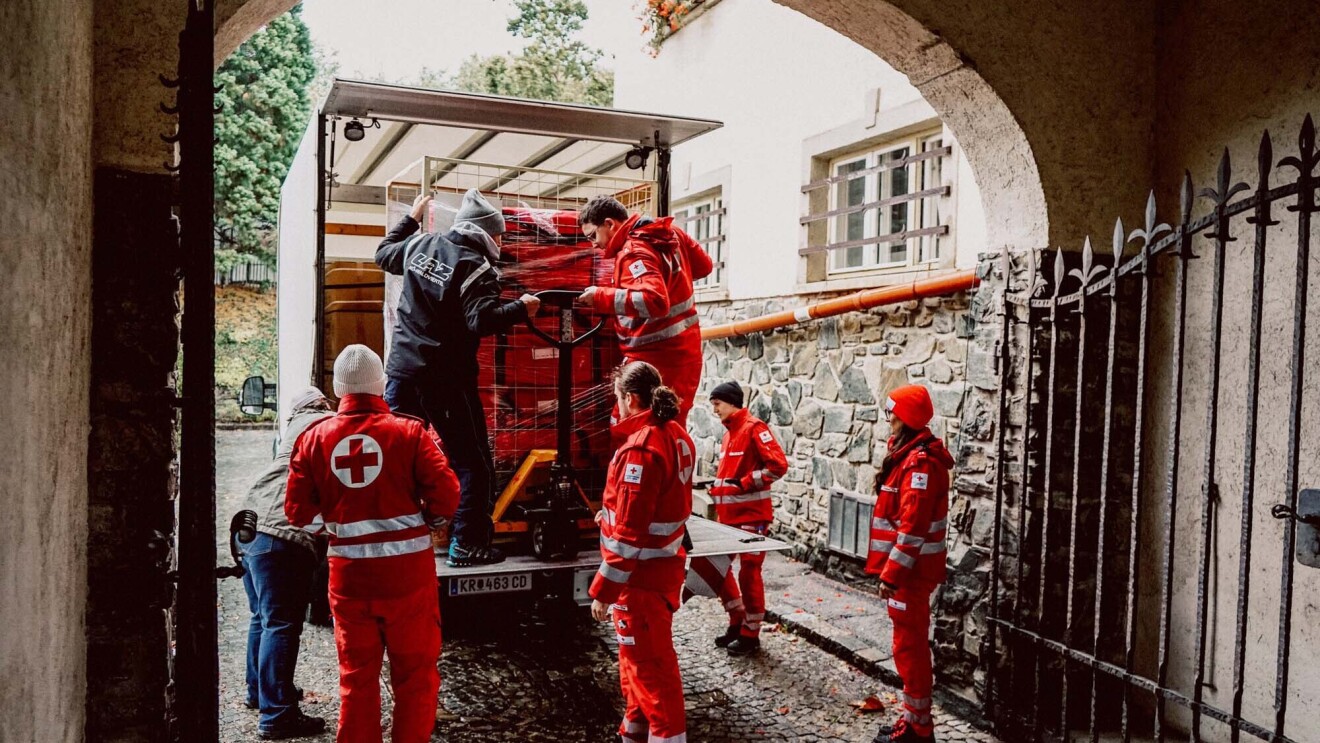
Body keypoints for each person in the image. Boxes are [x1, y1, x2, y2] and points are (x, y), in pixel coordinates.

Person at [285, 344, 461, 743]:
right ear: (381, 385)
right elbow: (448, 495)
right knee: (415, 677)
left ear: (338, 388)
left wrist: (333, 529)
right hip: (408, 581)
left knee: (356, 678)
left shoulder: (314, 440)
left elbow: (296, 512)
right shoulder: (410, 432)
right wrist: (427, 520)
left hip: (349, 584)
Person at [376, 188, 540, 567]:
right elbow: (480, 321)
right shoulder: (477, 267)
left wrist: (412, 219)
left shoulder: (420, 246)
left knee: (399, 458)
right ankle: (466, 544)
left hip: (401, 373)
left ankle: (394, 537)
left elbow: (384, 254)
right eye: (498, 235)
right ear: (483, 233)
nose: (500, 242)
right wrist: (522, 307)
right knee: (472, 463)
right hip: (445, 381)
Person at [589, 361, 695, 743]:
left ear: (630, 399)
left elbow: (631, 536)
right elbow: (654, 509)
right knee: (637, 668)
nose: (616, 407)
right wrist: (608, 516)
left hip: (639, 582)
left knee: (651, 674)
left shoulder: (641, 450)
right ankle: (632, 734)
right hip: (660, 574)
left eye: (617, 399)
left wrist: (603, 591)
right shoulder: (675, 435)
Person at [239, 386, 332, 739]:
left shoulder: (291, 430)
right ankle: (276, 715)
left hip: (248, 523)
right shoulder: (328, 423)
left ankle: (259, 692)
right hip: (282, 534)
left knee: (262, 617)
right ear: (322, 404)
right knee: (282, 623)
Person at [574, 195, 712, 429]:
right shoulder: (669, 233)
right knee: (671, 425)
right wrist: (673, 281)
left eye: (593, 236)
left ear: (610, 224)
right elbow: (704, 266)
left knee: (632, 427)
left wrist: (601, 296)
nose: (593, 245)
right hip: (684, 352)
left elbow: (654, 301)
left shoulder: (633, 252)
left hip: (654, 357)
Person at [866, 384, 954, 743]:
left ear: (907, 418)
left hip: (911, 575)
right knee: (907, 645)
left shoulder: (919, 463)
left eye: (894, 414)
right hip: (909, 573)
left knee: (909, 647)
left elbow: (912, 528)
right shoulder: (907, 454)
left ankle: (918, 729)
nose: (890, 420)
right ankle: (913, 721)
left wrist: (892, 574)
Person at [699, 380, 788, 656]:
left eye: (717, 404)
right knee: (713, 566)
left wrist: (747, 482)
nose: (714, 410)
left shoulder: (754, 428)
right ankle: (737, 621)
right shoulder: (729, 434)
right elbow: (730, 476)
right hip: (728, 518)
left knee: (749, 572)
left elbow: (778, 466)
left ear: (732, 402)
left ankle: (751, 634)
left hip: (752, 517)